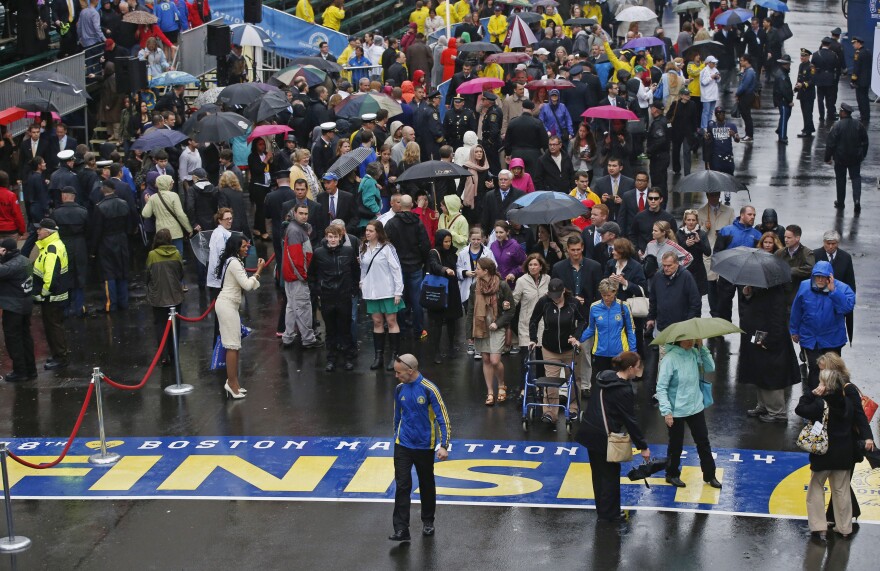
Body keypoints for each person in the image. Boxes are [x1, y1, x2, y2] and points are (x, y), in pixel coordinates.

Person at [574, 351, 650, 523]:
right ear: (630, 368)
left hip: (589, 432)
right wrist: (643, 446)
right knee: (610, 476)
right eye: (638, 367)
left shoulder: (603, 377)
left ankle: (603, 510)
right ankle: (610, 515)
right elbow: (630, 420)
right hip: (606, 437)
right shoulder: (624, 390)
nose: (639, 370)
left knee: (598, 475)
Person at [389, 353, 450, 542]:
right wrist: (395, 437)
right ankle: (401, 529)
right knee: (402, 485)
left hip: (425, 445)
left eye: (399, 373)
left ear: (411, 371)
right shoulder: (400, 389)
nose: (396, 376)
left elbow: (443, 418)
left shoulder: (429, 389)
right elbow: (397, 416)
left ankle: (428, 521)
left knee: (426, 484)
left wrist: (444, 445)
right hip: (403, 444)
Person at [795, 369, 860, 543]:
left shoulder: (820, 404)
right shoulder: (847, 402)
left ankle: (819, 528)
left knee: (816, 488)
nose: (819, 385)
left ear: (826, 386)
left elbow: (800, 409)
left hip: (824, 454)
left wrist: (811, 394)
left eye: (821, 383)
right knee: (842, 491)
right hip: (844, 454)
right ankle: (845, 528)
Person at [657, 338, 721, 489]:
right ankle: (671, 474)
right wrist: (667, 412)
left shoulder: (694, 352)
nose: (691, 341)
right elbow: (661, 388)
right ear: (679, 340)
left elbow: (710, 367)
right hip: (676, 411)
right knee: (675, 445)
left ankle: (710, 475)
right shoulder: (670, 359)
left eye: (693, 338)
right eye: (688, 339)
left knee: (703, 442)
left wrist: (702, 348)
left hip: (695, 407)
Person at [736, 282, 799, 423]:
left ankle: (777, 412)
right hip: (758, 336)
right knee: (760, 373)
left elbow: (777, 318)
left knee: (772, 376)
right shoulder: (759, 287)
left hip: (769, 339)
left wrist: (769, 340)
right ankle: (764, 405)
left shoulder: (775, 291)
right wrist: (748, 294)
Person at [527, 277, 586, 425]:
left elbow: (583, 321)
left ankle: (573, 409)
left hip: (569, 348)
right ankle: (550, 412)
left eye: (557, 296)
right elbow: (533, 321)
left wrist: (576, 337)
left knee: (573, 379)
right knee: (551, 380)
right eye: (552, 296)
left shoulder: (574, 303)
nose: (555, 299)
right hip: (550, 347)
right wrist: (533, 339)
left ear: (563, 291)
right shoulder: (544, 302)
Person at [790, 261, 856, 390]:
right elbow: (796, 310)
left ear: (830, 277)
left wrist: (834, 292)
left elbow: (847, 308)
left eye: (823, 277)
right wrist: (794, 330)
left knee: (832, 370)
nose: (819, 280)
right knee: (814, 369)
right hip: (810, 338)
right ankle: (816, 399)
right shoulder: (804, 286)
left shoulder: (842, 288)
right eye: (817, 276)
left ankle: (832, 401)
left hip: (832, 339)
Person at [215, 234, 265, 398]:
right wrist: (258, 271)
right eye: (244, 246)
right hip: (227, 305)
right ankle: (231, 384)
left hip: (229, 305)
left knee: (234, 346)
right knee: (232, 346)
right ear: (236, 247)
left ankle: (234, 382)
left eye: (247, 246)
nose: (247, 249)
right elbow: (247, 285)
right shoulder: (235, 263)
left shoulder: (233, 260)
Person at [310, 225, 359, 372]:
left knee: (345, 328)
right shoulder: (318, 253)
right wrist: (317, 290)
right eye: (330, 237)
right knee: (330, 329)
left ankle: (347, 358)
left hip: (344, 296)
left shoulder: (348, 251)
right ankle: (331, 358)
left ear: (340, 237)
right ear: (326, 237)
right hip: (327, 296)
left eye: (335, 237)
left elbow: (356, 272)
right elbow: (311, 274)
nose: (332, 239)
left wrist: (354, 289)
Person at [466, 258, 514, 405]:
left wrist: (498, 323)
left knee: (494, 360)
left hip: (496, 327)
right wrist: (469, 334)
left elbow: (511, 309)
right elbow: (470, 310)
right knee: (486, 359)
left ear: (486, 271)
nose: (476, 271)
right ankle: (490, 392)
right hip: (481, 326)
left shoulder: (502, 286)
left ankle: (501, 384)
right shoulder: (475, 286)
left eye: (478, 268)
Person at [360, 220, 405, 370]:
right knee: (377, 322)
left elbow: (396, 269)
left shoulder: (387, 248)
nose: (367, 233)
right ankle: (378, 356)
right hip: (371, 291)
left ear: (378, 233)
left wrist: (398, 291)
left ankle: (394, 356)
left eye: (371, 231)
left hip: (387, 290)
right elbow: (363, 268)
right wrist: (362, 282)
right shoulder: (363, 248)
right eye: (366, 230)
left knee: (391, 321)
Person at [281, 204, 322, 350]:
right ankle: (308, 339)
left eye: (306, 213)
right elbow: (297, 258)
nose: (304, 216)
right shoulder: (296, 230)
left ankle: (288, 337)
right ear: (295, 213)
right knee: (303, 307)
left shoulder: (294, 228)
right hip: (298, 277)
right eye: (301, 213)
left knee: (292, 307)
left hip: (291, 276)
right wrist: (304, 276)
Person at [580, 278, 636, 385]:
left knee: (619, 384)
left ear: (615, 292)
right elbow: (591, 329)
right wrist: (579, 339)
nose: (606, 298)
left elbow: (631, 329)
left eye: (609, 295)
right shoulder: (594, 307)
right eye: (603, 295)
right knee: (602, 384)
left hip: (620, 354)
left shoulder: (624, 306)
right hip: (600, 353)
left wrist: (633, 351)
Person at [33, 219, 70, 370]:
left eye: (40, 229)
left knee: (53, 327)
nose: (37, 231)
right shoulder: (52, 245)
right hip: (54, 295)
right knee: (54, 326)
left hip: (51, 297)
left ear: (48, 232)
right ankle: (58, 354)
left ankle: (60, 357)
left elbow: (50, 277)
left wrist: (42, 294)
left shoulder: (52, 248)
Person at [712, 205, 761, 321]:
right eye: (750, 214)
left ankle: (745, 331)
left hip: (746, 275)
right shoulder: (727, 230)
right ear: (742, 215)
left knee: (746, 305)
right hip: (727, 274)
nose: (753, 217)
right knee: (723, 303)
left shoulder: (757, 235)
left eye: (754, 215)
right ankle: (722, 329)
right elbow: (717, 252)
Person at [91, 182, 134, 312]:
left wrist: (93, 250)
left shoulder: (100, 207)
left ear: (103, 191)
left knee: (109, 273)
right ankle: (124, 301)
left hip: (106, 241)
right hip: (122, 239)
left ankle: (112, 304)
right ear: (114, 190)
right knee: (122, 270)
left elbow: (96, 230)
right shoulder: (123, 204)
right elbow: (130, 224)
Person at [146, 229, 184, 367]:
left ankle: (163, 355)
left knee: (160, 325)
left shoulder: (152, 255)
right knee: (175, 326)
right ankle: (174, 352)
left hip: (158, 297)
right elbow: (181, 273)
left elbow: (147, 275)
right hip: (175, 295)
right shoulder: (176, 254)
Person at [0, 238, 36, 382]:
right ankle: (30, 370)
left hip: (14, 307)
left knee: (13, 339)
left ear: (5, 250)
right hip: (25, 305)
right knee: (25, 337)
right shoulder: (24, 260)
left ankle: (20, 371)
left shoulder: (12, 265)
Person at [426, 229, 464, 364]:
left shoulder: (453, 254)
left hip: (452, 290)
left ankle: (451, 347)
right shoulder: (433, 253)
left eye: (449, 241)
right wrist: (445, 270)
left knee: (451, 320)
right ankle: (436, 350)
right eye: (445, 241)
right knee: (436, 323)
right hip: (439, 291)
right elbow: (434, 266)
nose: (448, 244)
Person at [456, 227, 495, 357]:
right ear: (469, 239)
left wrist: (482, 274)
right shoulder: (463, 253)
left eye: (479, 239)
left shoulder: (488, 252)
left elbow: (494, 267)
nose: (476, 241)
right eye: (473, 239)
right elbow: (458, 268)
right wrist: (465, 273)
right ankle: (471, 342)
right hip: (468, 288)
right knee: (470, 316)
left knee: (481, 317)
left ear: (483, 239)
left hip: (483, 289)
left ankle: (480, 345)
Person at [825, 103, 869, 213]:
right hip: (855, 158)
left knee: (840, 180)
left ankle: (840, 202)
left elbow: (830, 143)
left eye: (840, 111)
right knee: (856, 178)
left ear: (843, 113)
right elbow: (865, 141)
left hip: (840, 158)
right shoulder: (859, 125)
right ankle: (857, 201)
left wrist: (827, 157)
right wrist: (863, 155)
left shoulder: (837, 126)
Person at [647, 251, 701, 341]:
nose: (666, 268)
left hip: (681, 329)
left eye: (669, 265)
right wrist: (651, 317)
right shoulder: (658, 277)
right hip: (662, 327)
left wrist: (688, 323)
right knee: (664, 354)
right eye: (664, 265)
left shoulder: (686, 277)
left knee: (680, 354)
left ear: (677, 264)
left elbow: (695, 303)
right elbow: (653, 300)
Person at [677, 211, 710, 296]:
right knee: (683, 298)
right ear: (685, 221)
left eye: (693, 220)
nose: (691, 222)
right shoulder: (679, 233)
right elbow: (675, 254)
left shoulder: (702, 233)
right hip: (683, 270)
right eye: (688, 220)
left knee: (696, 300)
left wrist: (699, 242)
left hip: (698, 271)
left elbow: (708, 252)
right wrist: (685, 245)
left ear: (697, 221)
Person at [772, 55, 794, 144]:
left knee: (785, 116)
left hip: (782, 99)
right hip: (783, 100)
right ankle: (782, 136)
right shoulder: (782, 75)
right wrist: (789, 100)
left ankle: (780, 130)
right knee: (784, 117)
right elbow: (783, 89)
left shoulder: (782, 73)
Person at [850, 36, 871, 124]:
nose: (853, 45)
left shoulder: (858, 53)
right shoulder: (867, 52)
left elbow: (856, 68)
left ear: (858, 43)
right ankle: (866, 115)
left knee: (861, 99)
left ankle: (863, 117)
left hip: (860, 80)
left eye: (854, 43)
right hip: (866, 79)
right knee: (865, 98)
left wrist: (853, 80)